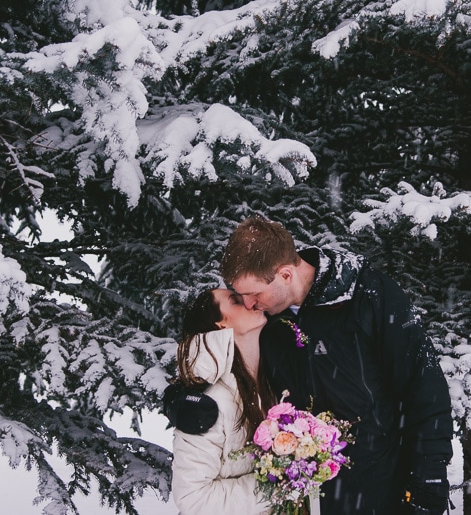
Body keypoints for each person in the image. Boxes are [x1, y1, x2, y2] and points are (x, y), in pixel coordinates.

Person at [219, 216, 453, 515]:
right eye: (242, 296)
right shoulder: (263, 320)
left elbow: (424, 386)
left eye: (254, 294)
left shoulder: (366, 295)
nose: (248, 304)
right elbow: (211, 349)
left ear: (286, 275)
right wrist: (187, 399)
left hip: (377, 488)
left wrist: (428, 483)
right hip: (303, 498)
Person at [165, 288, 276, 515]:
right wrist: (278, 486)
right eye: (235, 301)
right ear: (221, 324)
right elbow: (193, 499)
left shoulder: (275, 375)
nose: (249, 301)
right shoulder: (208, 402)